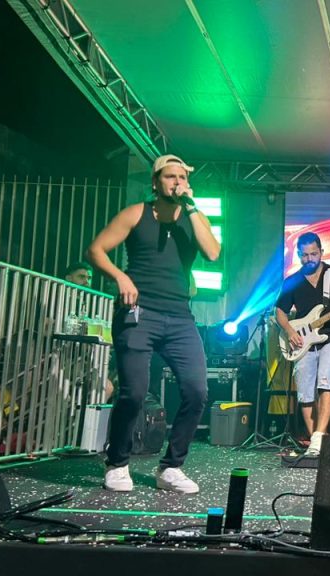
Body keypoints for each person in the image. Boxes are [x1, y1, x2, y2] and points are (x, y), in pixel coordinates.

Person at [87, 154, 220, 493]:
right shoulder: (136, 213)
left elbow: (213, 253)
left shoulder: (194, 217)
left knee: (197, 390)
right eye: (170, 177)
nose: (177, 182)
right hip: (139, 313)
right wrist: (120, 277)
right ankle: (117, 462)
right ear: (155, 182)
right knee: (133, 393)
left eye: (182, 177)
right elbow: (96, 250)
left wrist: (192, 208)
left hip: (179, 317)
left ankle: (171, 467)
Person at [275, 231, 330, 458]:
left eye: (313, 254)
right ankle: (316, 443)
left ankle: (319, 435)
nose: (309, 259)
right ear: (298, 255)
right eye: (305, 255)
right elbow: (280, 312)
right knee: (304, 391)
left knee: (325, 380)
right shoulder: (292, 281)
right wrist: (290, 331)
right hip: (302, 341)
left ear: (321, 252)